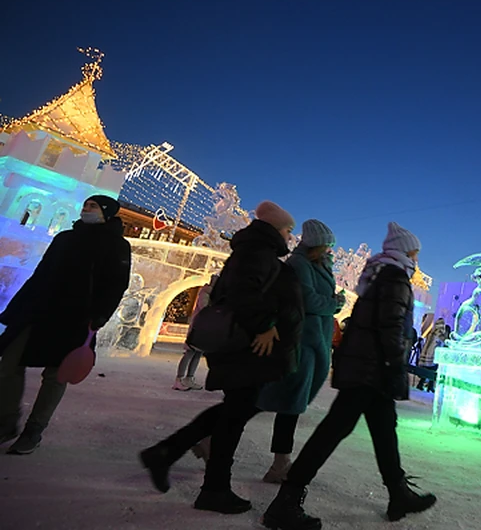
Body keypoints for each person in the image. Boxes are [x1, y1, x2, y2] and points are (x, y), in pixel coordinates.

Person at [263, 222, 437, 529]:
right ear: (405, 252)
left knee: (384, 430)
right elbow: (391, 328)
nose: (417, 259)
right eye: (415, 252)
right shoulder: (395, 277)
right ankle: (286, 501)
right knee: (332, 431)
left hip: (365, 368)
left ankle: (398, 492)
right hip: (372, 370)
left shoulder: (378, 275)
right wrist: (397, 366)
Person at [140, 201, 304, 514]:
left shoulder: (258, 251)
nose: (289, 236)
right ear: (274, 229)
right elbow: (244, 294)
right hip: (248, 348)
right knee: (235, 415)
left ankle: (168, 453)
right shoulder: (256, 252)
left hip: (249, 349)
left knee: (235, 412)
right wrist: (266, 326)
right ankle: (212, 487)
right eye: (287, 229)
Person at [0, 195, 131, 454]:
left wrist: (100, 314)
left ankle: (34, 430)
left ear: (106, 212)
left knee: (56, 375)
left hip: (76, 317)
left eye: (92, 206)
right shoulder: (65, 238)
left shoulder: (117, 245)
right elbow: (42, 273)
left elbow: (116, 283)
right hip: (37, 310)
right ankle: (7, 420)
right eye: (85, 205)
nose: (86, 209)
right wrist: (18, 306)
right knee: (9, 363)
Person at [257, 219, 345, 484]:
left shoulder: (318, 265)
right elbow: (306, 299)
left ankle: (214, 436)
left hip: (312, 341)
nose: (331, 250)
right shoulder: (299, 265)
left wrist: (333, 301)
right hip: (300, 341)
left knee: (280, 400)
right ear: (315, 245)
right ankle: (280, 463)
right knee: (287, 402)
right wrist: (334, 304)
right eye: (327, 245)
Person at [175, 275, 219, 391]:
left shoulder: (215, 295)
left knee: (198, 354)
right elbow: (205, 308)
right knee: (189, 353)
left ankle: (189, 378)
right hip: (198, 327)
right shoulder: (205, 293)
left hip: (206, 328)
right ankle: (179, 379)